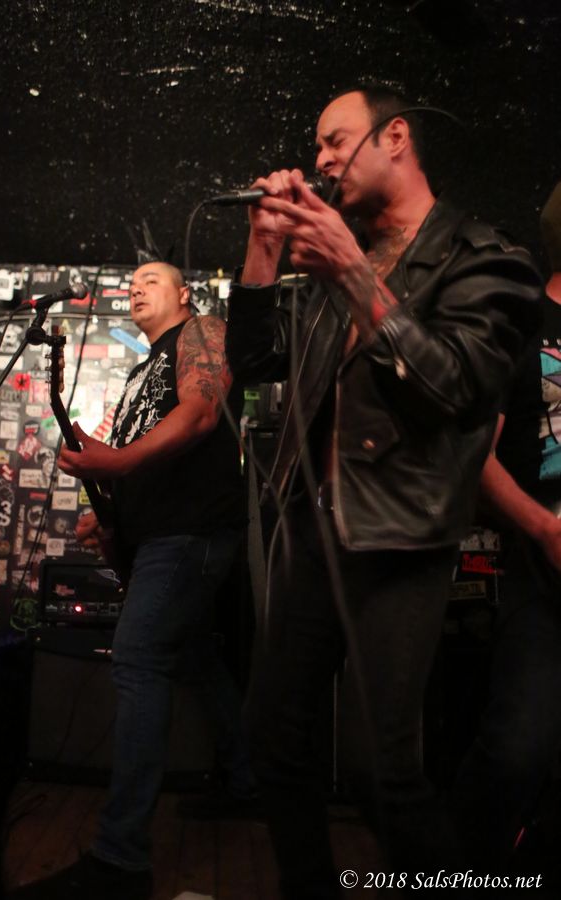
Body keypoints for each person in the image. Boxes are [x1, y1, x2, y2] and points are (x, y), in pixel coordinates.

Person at [225, 85, 542, 898]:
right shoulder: (345, 254)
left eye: (336, 141)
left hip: (401, 537)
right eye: (318, 147)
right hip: (313, 525)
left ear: (394, 137)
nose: (321, 160)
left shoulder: (486, 258)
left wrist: (350, 270)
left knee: (381, 771)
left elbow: (456, 389)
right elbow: (255, 364)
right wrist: (263, 248)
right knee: (274, 738)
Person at [11, 261, 252, 900]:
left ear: (185, 293)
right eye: (132, 282)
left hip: (191, 533)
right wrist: (112, 514)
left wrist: (116, 462)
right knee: (196, 657)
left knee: (139, 658)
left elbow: (201, 414)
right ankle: (247, 780)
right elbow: (152, 457)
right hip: (158, 536)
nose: (136, 287)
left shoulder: (203, 331)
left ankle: (121, 860)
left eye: (152, 279)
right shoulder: (142, 371)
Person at [451, 181, 561, 884]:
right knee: (517, 747)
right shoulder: (522, 326)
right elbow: (473, 459)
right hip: (542, 565)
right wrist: (545, 530)